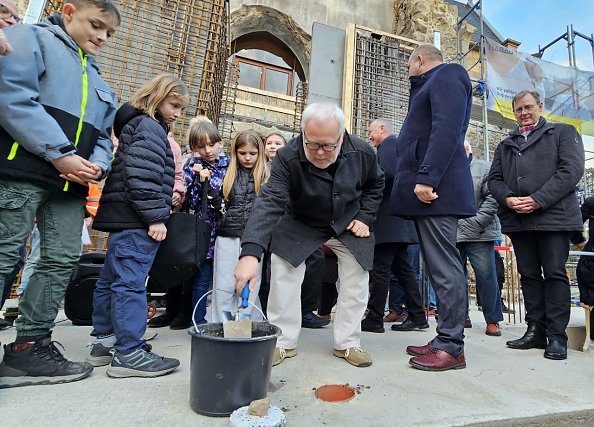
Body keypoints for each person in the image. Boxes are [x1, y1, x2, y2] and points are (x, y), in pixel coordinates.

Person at [0, 0, 120, 389]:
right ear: (68, 11)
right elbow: (12, 97)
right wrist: (60, 153)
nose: (102, 37)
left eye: (109, 33)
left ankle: (29, 347)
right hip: (23, 172)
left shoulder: (100, 79)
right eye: (96, 25)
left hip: (70, 186)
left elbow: (104, 136)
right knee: (5, 253)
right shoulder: (30, 39)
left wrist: (98, 164)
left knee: (60, 259)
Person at [234, 102, 384, 368]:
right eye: (313, 144)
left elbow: (376, 185)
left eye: (328, 145)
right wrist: (250, 253)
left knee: (357, 277)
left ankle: (347, 343)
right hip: (301, 221)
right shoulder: (287, 155)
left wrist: (365, 217)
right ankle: (282, 341)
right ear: (303, 133)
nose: (321, 152)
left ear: (342, 136)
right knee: (283, 272)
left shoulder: (362, 151)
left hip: (348, 222)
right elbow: (270, 201)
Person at [88, 74, 190, 378]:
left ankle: (105, 341)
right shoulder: (149, 128)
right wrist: (155, 217)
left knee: (111, 279)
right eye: (174, 105)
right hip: (137, 221)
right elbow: (142, 178)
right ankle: (128, 352)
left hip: (123, 218)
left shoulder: (134, 125)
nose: (177, 114)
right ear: (157, 97)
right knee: (130, 285)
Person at [391, 44, 475, 372]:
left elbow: (447, 128)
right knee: (439, 267)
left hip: (437, 191)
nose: (406, 70)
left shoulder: (448, 73)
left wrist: (427, 177)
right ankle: (443, 337)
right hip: (430, 193)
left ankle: (452, 347)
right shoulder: (429, 84)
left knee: (445, 268)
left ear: (420, 60)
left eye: (408, 63)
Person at [488, 90, 584, 360]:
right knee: (528, 276)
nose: (524, 113)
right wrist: (507, 199)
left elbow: (571, 171)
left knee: (554, 274)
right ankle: (535, 330)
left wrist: (537, 199)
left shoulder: (563, 133)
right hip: (519, 220)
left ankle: (556, 336)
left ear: (540, 106)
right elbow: (494, 180)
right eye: (518, 109)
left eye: (529, 107)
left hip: (553, 218)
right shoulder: (505, 144)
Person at [149, 117, 229, 328]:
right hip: (196, 229)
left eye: (211, 144)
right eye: (201, 146)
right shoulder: (192, 166)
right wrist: (197, 180)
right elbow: (189, 197)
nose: (207, 150)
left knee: (208, 279)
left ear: (220, 142)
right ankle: (192, 319)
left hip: (220, 230)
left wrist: (209, 181)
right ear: (193, 147)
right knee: (188, 275)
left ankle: (198, 319)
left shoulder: (228, 165)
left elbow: (226, 196)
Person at [361, 119, 425, 334]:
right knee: (403, 270)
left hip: (388, 222)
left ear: (381, 129)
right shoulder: (398, 146)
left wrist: (365, 182)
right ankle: (417, 315)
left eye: (370, 131)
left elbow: (386, 174)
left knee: (381, 270)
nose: (369, 136)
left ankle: (375, 318)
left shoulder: (388, 146)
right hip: (397, 222)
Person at [210, 130, 268, 322]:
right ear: (235, 152)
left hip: (254, 237)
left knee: (251, 284)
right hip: (228, 234)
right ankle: (223, 323)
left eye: (253, 153)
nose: (248, 158)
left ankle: (245, 322)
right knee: (224, 284)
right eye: (243, 153)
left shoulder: (267, 175)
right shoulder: (225, 172)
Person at [456, 141, 504, 337]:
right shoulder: (446, 168)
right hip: (454, 232)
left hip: (480, 233)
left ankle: (492, 320)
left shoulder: (484, 167)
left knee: (486, 277)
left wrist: (475, 223)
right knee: (455, 278)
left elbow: (493, 198)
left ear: (467, 150)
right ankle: (460, 316)